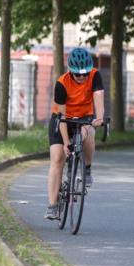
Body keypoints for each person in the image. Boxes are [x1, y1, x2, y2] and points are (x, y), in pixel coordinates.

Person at [46, 47, 105, 219]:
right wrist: (66, 143)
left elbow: (99, 96)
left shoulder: (95, 76)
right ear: (71, 71)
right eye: (78, 74)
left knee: (89, 134)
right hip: (63, 119)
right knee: (57, 159)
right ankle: (52, 205)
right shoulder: (62, 83)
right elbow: (62, 116)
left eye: (85, 74)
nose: (82, 77)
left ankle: (86, 169)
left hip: (84, 117)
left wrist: (99, 118)